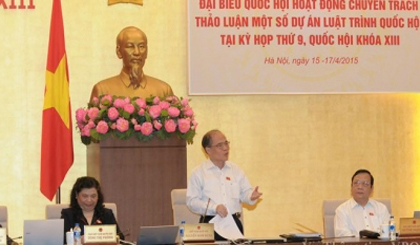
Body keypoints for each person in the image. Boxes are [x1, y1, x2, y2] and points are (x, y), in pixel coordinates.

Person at [186, 129, 262, 240]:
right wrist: (214, 208)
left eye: (226, 143)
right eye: (219, 145)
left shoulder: (236, 170)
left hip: (234, 225)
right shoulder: (198, 173)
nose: (225, 148)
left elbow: (245, 194)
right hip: (209, 225)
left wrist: (251, 196)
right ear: (208, 150)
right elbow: (192, 201)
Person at [90, 26, 174, 101]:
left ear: (146, 52)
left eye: (141, 46)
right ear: (119, 52)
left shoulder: (163, 90)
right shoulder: (102, 90)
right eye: (130, 46)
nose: (137, 52)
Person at [61, 176, 125, 242]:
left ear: (98, 196)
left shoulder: (107, 214)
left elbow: (120, 238)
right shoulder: (68, 214)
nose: (89, 200)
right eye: (85, 196)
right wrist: (78, 240)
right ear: (76, 195)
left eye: (93, 196)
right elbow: (61, 239)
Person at [334, 169, 390, 237]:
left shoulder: (381, 209)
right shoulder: (342, 210)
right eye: (356, 183)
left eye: (365, 184)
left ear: (371, 189)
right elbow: (343, 237)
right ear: (351, 187)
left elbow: (389, 234)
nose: (360, 187)